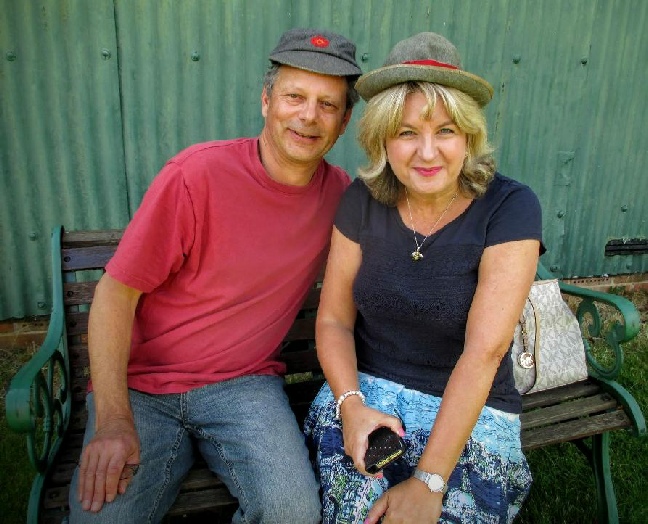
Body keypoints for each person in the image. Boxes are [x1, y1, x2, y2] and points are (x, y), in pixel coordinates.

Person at [69, 28, 362, 524]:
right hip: (144, 388)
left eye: (327, 105)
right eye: (294, 96)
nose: (308, 116)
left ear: (345, 121)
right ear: (266, 101)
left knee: (293, 514)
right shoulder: (195, 176)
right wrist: (114, 419)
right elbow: (116, 295)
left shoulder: (341, 197)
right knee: (103, 517)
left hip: (243, 387)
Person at [304, 32, 544, 523]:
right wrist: (351, 407)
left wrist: (430, 482)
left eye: (447, 130)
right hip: (365, 395)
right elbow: (333, 320)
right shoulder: (361, 201)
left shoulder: (510, 207)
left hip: (468, 410)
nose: (427, 152)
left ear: (470, 137)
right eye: (407, 132)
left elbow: (485, 352)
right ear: (382, 140)